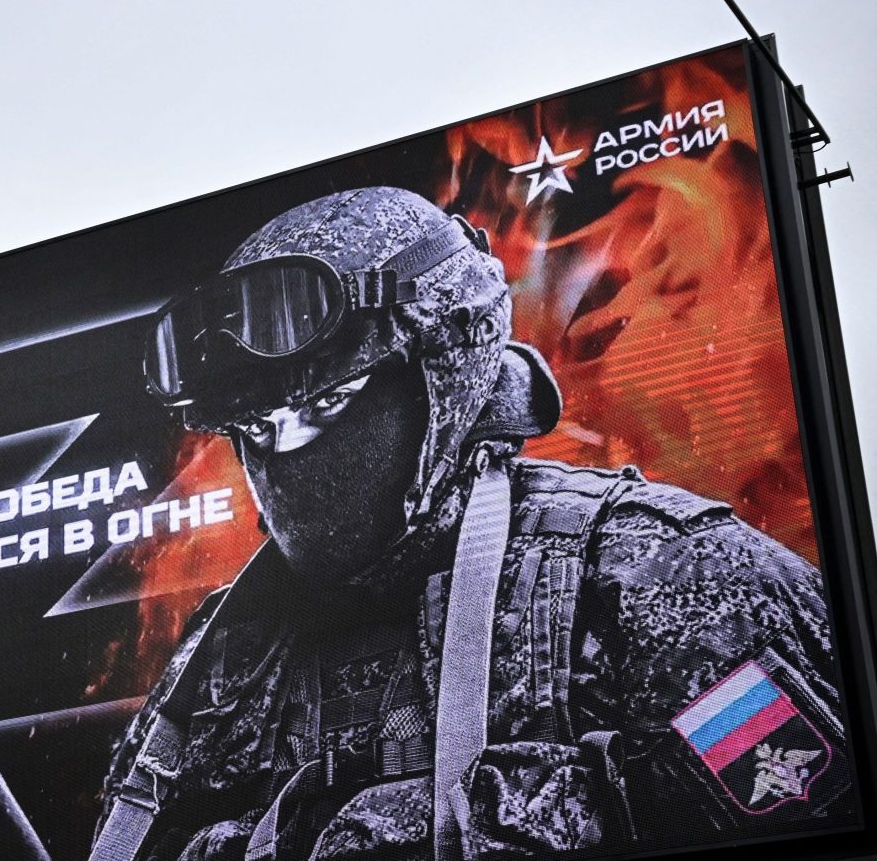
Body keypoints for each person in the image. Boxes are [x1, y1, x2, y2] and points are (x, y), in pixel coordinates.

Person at [90, 187, 854, 861]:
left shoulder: (662, 575)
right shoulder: (216, 667)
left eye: (322, 407)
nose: (283, 458)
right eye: (256, 428)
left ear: (441, 377)